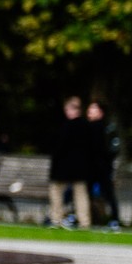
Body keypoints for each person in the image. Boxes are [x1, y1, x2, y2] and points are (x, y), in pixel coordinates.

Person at [48, 95, 94, 228]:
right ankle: (84, 221)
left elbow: (59, 147)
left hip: (63, 167)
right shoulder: (86, 126)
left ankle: (56, 218)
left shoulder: (66, 126)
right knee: (81, 194)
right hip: (80, 167)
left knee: (56, 191)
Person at [86, 100, 120, 230]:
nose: (89, 111)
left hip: (102, 167)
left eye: (93, 109)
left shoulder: (107, 128)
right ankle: (81, 217)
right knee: (84, 193)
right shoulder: (89, 127)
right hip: (91, 167)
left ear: (100, 112)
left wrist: (105, 161)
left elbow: (112, 149)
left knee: (108, 193)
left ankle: (115, 219)